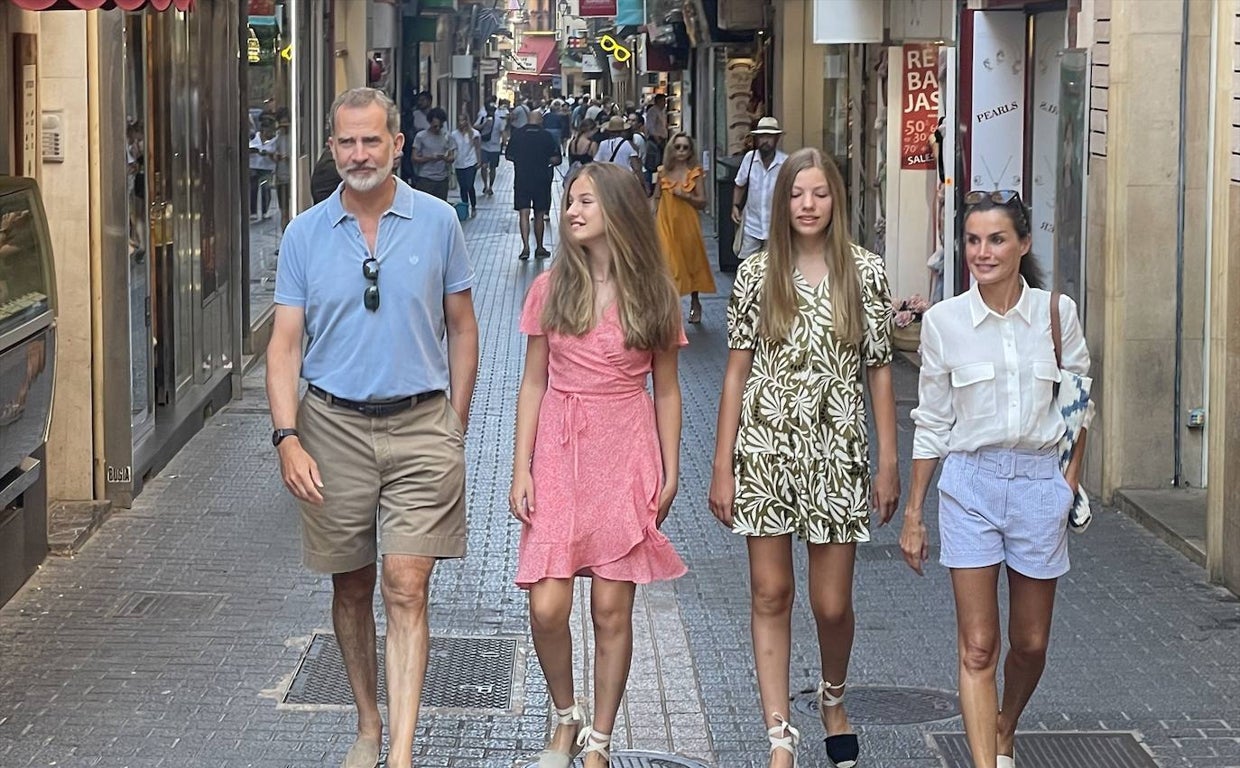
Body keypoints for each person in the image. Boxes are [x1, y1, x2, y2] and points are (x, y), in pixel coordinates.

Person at [266, 87, 479, 768]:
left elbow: (464, 327)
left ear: (398, 146)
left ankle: (403, 753)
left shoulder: (440, 221)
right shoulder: (303, 233)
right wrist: (286, 435)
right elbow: (284, 345)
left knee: (406, 582)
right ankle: (368, 724)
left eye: (372, 140)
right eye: (347, 142)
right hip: (331, 427)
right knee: (351, 585)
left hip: (422, 426)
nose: (360, 153)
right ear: (332, 149)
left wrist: (456, 419)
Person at [709, 147, 899, 768]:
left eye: (818, 194)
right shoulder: (757, 274)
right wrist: (720, 462)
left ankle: (833, 696)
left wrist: (889, 460)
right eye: (796, 194)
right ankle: (778, 733)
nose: (808, 205)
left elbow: (879, 372)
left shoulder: (865, 273)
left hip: (838, 451)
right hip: (764, 447)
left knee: (831, 603)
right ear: (780, 201)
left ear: (835, 200)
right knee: (770, 591)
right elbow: (735, 372)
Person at [899, 189, 1091, 768]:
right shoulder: (944, 322)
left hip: (1039, 485)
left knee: (1029, 644)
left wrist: (1067, 485)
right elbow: (932, 420)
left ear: (1024, 244)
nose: (983, 252)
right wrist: (914, 511)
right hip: (971, 486)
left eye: (997, 239)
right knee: (979, 645)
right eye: (974, 240)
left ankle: (1005, 725)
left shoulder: (1058, 315)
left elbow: (1079, 406)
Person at [510, 162, 688, 768]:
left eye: (585, 200)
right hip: (560, 447)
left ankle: (601, 740)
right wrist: (521, 466)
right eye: (569, 202)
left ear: (617, 210)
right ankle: (565, 714)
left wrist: (670, 468)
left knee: (611, 607)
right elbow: (532, 382)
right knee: (547, 605)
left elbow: (666, 389)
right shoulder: (550, 286)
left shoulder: (655, 294)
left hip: (625, 446)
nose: (572, 211)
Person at [653, 133, 714, 325]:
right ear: (671, 149)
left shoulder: (694, 173)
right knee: (668, 264)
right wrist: (651, 217)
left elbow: (703, 202)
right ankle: (670, 307)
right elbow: (656, 197)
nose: (681, 151)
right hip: (665, 224)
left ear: (690, 151)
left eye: (685, 147)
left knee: (690, 264)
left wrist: (685, 196)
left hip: (687, 226)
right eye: (677, 147)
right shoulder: (662, 172)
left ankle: (695, 301)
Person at [506, 108, 561, 260]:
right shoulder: (546, 136)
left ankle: (525, 247)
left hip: (522, 178)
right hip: (541, 179)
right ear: (540, 120)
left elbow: (508, 155)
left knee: (523, 213)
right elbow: (557, 158)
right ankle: (540, 247)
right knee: (539, 214)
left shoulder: (517, 134)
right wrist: (545, 161)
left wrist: (521, 160)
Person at [732, 117, 788, 260]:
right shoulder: (749, 159)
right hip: (752, 225)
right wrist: (735, 206)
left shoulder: (785, 163)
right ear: (757, 138)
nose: (765, 141)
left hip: (776, 227)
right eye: (762, 136)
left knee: (774, 269)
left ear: (776, 139)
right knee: (747, 267)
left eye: (769, 136)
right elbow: (740, 184)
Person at [411, 107, 454, 200]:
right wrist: (430, 157)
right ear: (430, 123)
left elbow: (452, 157)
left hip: (442, 179)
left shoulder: (447, 136)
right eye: (435, 126)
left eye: (440, 126)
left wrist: (445, 158)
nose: (438, 128)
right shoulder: (421, 136)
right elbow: (414, 158)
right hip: (425, 178)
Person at [450, 112, 482, 218]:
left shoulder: (474, 133)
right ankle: (465, 206)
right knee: (463, 187)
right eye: (459, 120)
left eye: (463, 120)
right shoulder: (454, 135)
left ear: (467, 121)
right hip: (459, 163)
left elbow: (477, 148)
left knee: (469, 185)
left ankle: (473, 206)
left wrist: (479, 161)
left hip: (471, 162)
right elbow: (453, 148)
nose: (461, 123)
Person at [594, 116, 642, 180]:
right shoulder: (628, 144)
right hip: (624, 178)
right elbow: (636, 167)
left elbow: (597, 162)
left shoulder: (603, 144)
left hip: (608, 178)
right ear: (622, 131)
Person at [249, 122, 279, 222]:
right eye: (267, 132)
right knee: (253, 189)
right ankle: (252, 212)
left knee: (265, 189)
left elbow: (276, 153)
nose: (269, 134)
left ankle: (265, 211)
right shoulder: (253, 138)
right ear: (262, 132)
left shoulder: (274, 140)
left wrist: (268, 154)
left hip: (267, 167)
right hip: (254, 166)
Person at [476, 102, 505, 197]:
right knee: (484, 166)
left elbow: (502, 131)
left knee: (493, 168)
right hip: (484, 146)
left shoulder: (499, 121)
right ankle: (485, 185)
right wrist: (484, 124)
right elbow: (475, 127)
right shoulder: (483, 118)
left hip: (495, 147)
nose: (490, 112)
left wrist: (503, 143)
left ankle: (491, 186)